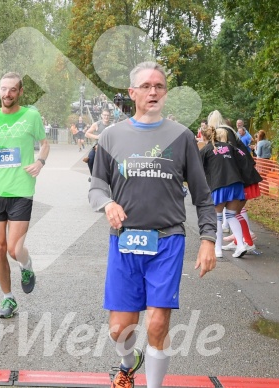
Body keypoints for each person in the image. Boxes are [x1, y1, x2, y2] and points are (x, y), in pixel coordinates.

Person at [88, 61, 216, 388]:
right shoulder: (111, 136)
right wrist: (108, 203)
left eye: (159, 86)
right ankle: (128, 363)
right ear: (132, 93)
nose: (153, 91)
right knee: (120, 328)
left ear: (166, 92)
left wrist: (208, 239)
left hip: (167, 241)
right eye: (146, 86)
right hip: (124, 241)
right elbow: (97, 186)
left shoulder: (182, 137)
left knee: (157, 324)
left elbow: (202, 195)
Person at [0, 72, 50, 319]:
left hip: (21, 189)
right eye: (3, 89)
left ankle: (26, 266)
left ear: (20, 92)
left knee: (14, 249)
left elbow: (45, 143)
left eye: (12, 90)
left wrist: (40, 162)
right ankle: (9, 299)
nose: (7, 94)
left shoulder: (31, 116)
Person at [200, 126, 249, 258]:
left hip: (219, 185)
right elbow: (244, 156)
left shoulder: (206, 149)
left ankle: (217, 250)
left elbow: (197, 169)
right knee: (231, 216)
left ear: (204, 137)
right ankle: (240, 245)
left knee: (217, 218)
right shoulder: (230, 147)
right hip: (236, 184)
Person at [84, 108, 111, 182]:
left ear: (110, 116)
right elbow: (87, 134)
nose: (106, 117)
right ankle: (93, 175)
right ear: (101, 115)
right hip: (97, 146)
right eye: (105, 115)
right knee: (90, 158)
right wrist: (97, 137)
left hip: (109, 147)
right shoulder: (97, 124)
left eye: (108, 115)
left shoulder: (112, 125)